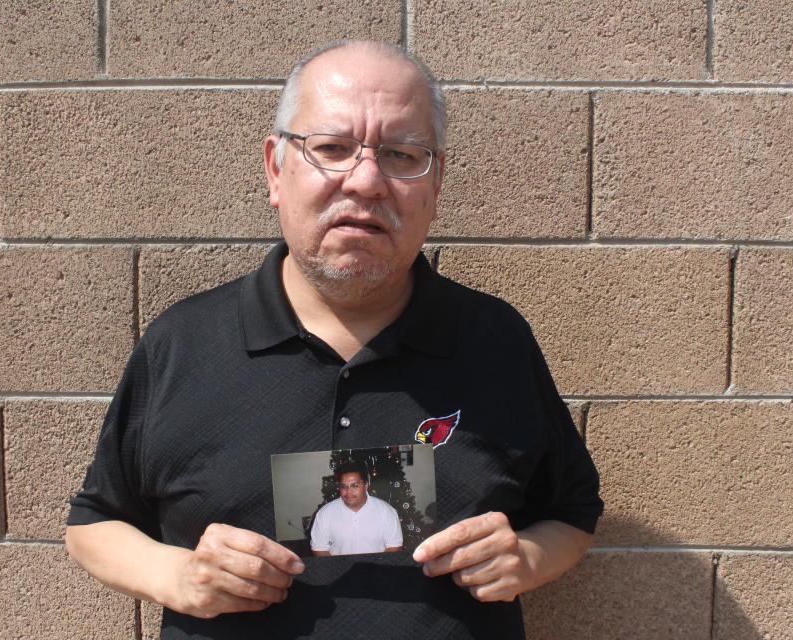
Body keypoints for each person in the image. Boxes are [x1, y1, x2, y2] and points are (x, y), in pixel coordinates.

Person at [65, 40, 602, 639]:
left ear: (436, 182)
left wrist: (529, 558)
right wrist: (178, 575)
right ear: (276, 168)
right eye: (331, 149)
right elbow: (94, 521)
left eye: (401, 154)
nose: (367, 180)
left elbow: (574, 513)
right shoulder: (183, 344)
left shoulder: (495, 342)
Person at [309, 462, 403, 556]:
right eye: (343, 486)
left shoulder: (386, 511)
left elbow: (394, 546)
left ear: (366, 485)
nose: (348, 491)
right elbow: (319, 548)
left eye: (355, 485)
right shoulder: (325, 513)